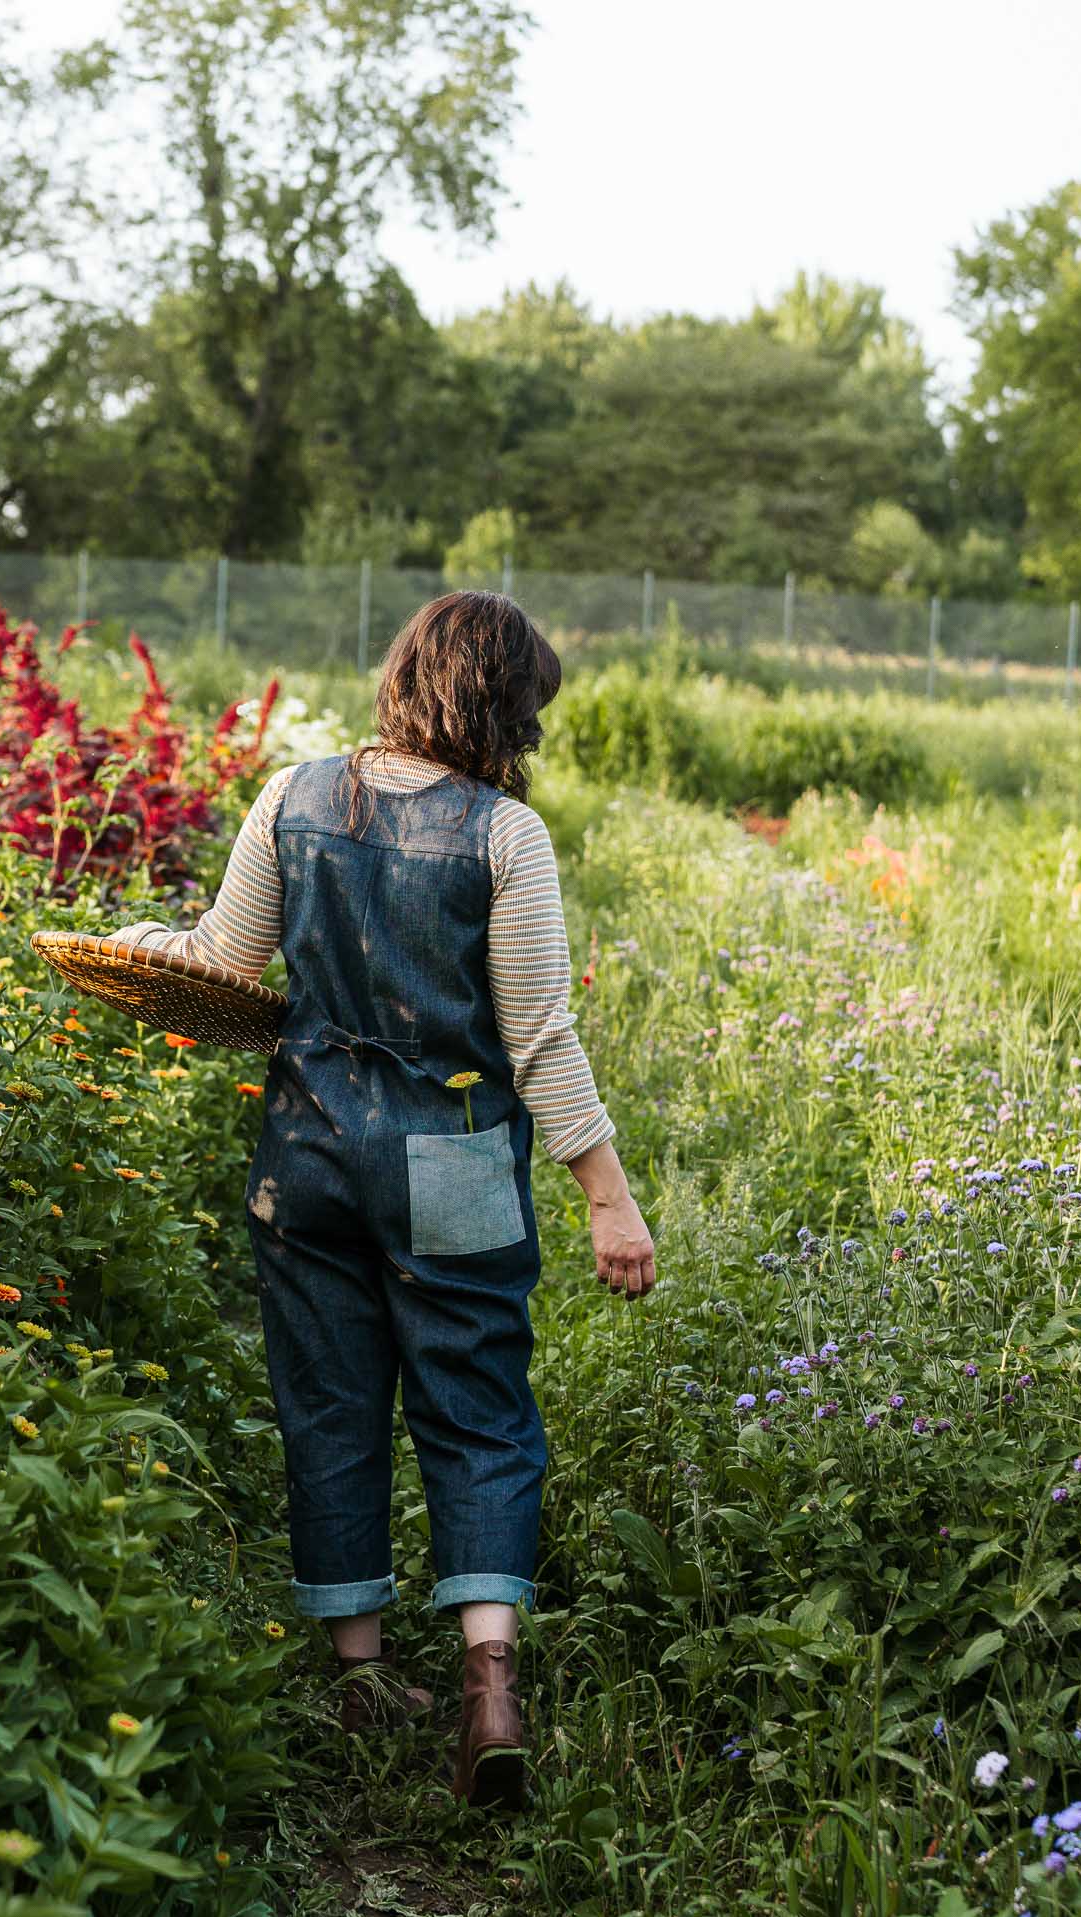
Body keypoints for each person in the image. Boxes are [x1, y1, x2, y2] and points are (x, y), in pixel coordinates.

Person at [107, 591, 655, 1810]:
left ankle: (359, 1681)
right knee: (477, 1409)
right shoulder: (505, 837)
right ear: (502, 704)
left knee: (329, 1400)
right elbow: (540, 1041)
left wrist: (127, 940)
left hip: (305, 1154)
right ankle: (489, 1690)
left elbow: (219, 961)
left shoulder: (293, 797)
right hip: (451, 1157)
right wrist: (608, 1201)